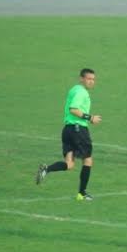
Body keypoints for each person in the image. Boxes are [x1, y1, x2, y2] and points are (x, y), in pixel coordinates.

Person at [35, 68, 102, 200]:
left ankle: (46, 169)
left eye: (93, 79)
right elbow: (73, 109)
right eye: (88, 79)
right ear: (81, 78)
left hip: (68, 130)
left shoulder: (74, 89)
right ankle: (82, 193)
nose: (91, 82)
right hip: (79, 129)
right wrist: (91, 118)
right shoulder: (81, 92)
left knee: (69, 164)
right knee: (88, 160)